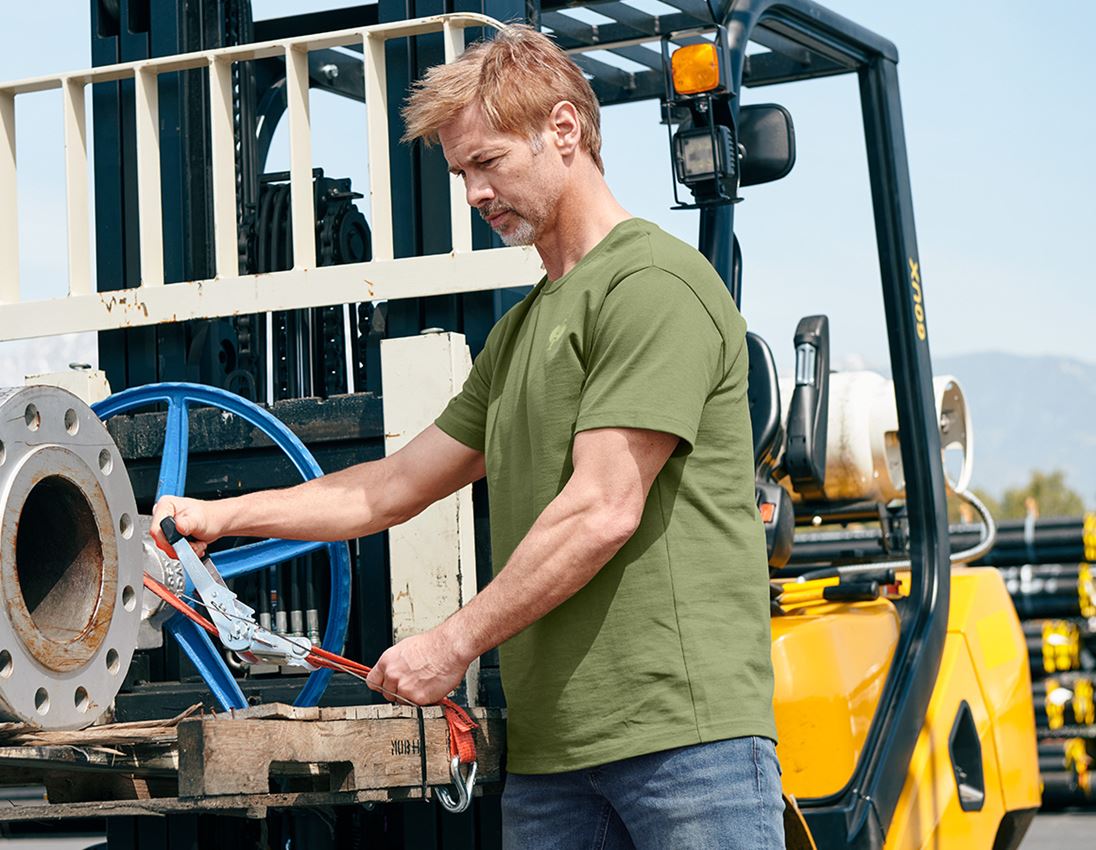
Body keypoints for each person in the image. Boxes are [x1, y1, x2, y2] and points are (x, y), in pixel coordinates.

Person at [151, 24, 783, 849]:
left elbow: (602, 508)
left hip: (683, 747)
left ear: (564, 130)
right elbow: (387, 487)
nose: (476, 193)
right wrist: (220, 518)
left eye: (488, 163)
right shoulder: (524, 331)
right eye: (460, 174)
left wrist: (451, 642)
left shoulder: (651, 284)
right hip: (554, 756)